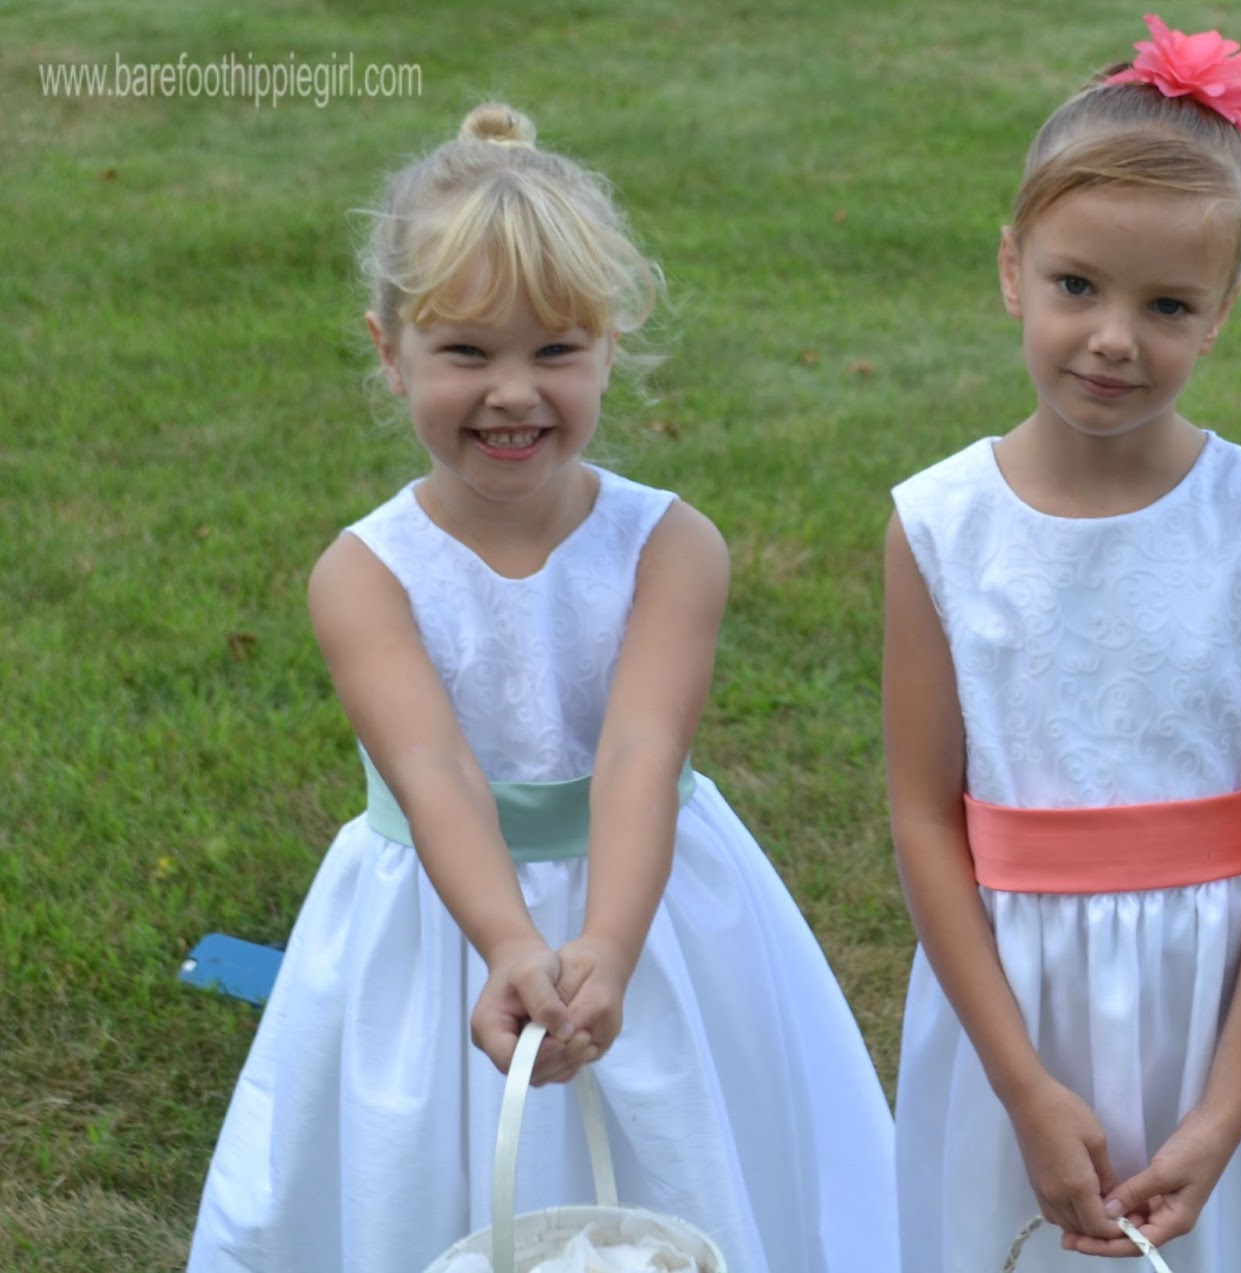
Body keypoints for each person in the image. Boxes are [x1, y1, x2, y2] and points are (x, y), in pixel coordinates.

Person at [188, 102, 898, 1273]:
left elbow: (637, 755)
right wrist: (508, 941)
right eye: (467, 352)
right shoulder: (366, 573)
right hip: (437, 917)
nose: (512, 392)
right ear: (388, 348)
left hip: (648, 901)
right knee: (434, 1170)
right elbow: (431, 769)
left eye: (555, 351)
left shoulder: (669, 545)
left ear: (611, 343)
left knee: (680, 1155)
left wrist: (607, 946)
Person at [884, 17, 1241, 1272]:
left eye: (1166, 303)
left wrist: (1227, 1108)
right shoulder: (937, 527)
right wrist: (1018, 1082)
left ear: (1221, 310)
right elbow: (921, 815)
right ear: (1013, 267)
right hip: (1018, 1011)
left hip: (1231, 1000)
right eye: (1078, 286)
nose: (1114, 337)